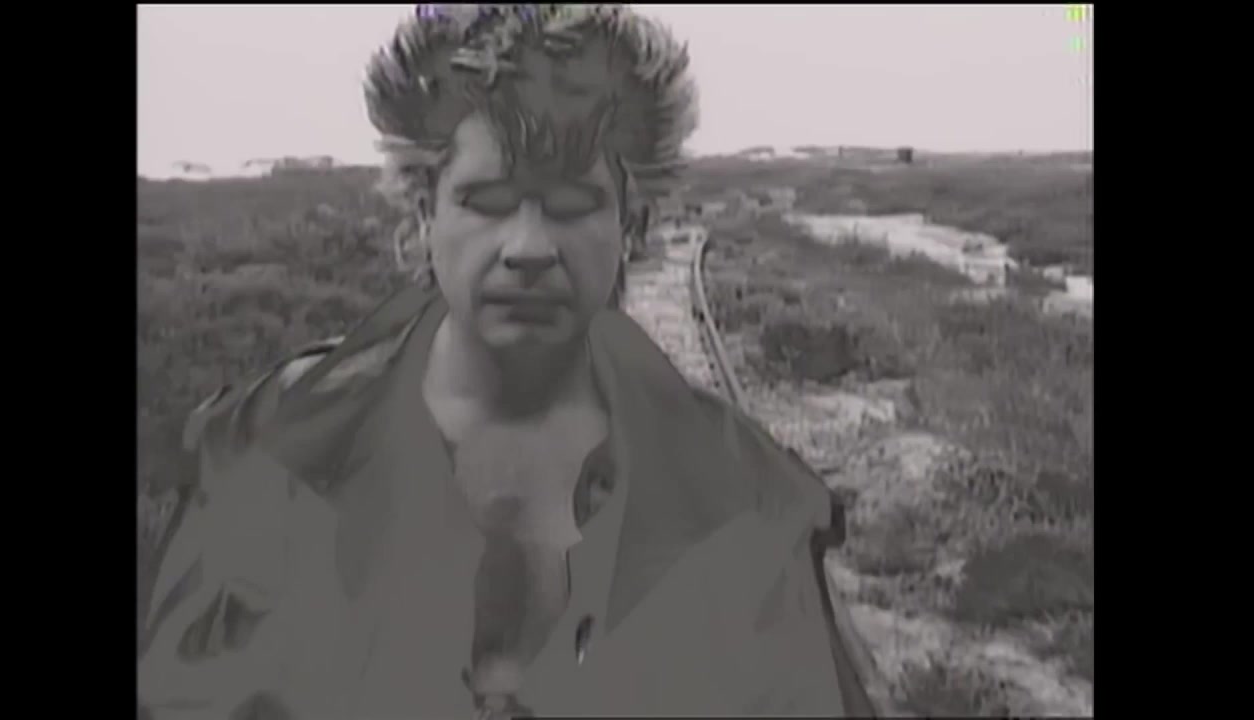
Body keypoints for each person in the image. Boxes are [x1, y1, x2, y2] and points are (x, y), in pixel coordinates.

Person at [137, 4, 876, 718]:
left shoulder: (738, 500)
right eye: (487, 201)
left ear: (632, 223)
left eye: (571, 204)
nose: (527, 248)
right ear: (424, 217)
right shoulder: (278, 453)